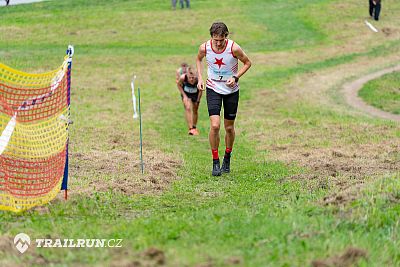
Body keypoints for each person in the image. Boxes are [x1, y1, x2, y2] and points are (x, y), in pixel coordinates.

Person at [196, 22, 252, 176]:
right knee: (215, 126)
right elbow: (198, 59)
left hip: (231, 91)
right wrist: (200, 78)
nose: (218, 43)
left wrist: (236, 77)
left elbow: (248, 63)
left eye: (221, 40)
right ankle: (215, 161)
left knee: (228, 128)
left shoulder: (234, 48)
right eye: (215, 40)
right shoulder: (205, 47)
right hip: (213, 88)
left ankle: (227, 156)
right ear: (211, 38)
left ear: (226, 36)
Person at [177, 66, 202, 135]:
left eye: (193, 78)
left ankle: (194, 127)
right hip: (186, 93)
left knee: (195, 109)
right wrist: (184, 96)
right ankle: (190, 129)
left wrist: (198, 100)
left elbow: (200, 91)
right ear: (187, 75)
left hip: (195, 94)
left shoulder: (198, 79)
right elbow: (178, 85)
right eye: (189, 77)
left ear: (195, 76)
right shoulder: (183, 78)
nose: (191, 79)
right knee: (188, 108)